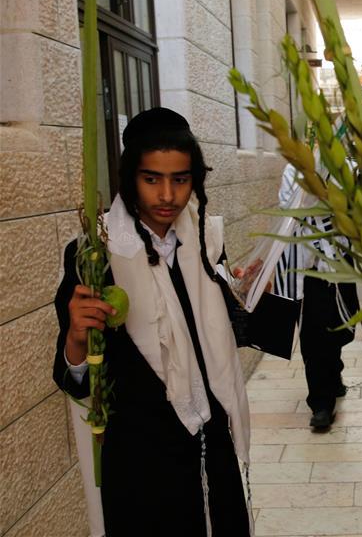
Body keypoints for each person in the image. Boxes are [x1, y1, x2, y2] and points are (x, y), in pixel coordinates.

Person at [53, 107, 252, 536]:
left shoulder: (203, 239)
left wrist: (238, 297)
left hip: (210, 447)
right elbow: (74, 379)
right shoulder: (94, 255)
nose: (167, 195)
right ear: (130, 178)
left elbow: (216, 341)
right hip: (142, 464)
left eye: (180, 179)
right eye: (152, 179)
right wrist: (75, 338)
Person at [275, 162, 361, 430]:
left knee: (341, 329)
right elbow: (287, 208)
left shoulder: (346, 167)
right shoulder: (292, 170)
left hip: (339, 264)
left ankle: (334, 373)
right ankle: (321, 404)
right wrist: (311, 188)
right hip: (309, 268)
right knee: (312, 338)